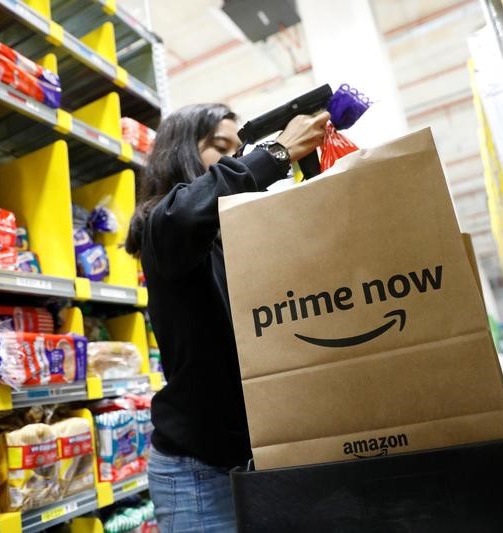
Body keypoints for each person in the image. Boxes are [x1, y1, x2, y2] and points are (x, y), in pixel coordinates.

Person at [125, 103, 329, 532]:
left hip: (256, 460)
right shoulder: (164, 227)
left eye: (240, 148)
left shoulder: (229, 236)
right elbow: (185, 214)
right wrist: (276, 153)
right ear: (182, 151)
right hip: (199, 471)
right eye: (221, 147)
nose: (235, 157)